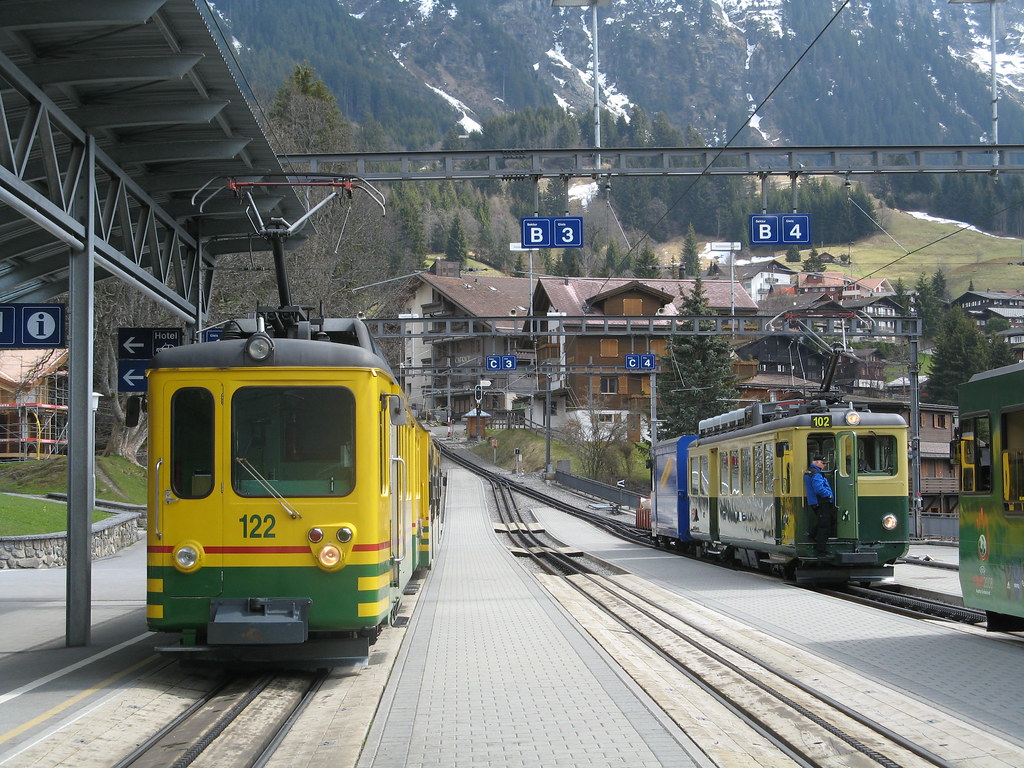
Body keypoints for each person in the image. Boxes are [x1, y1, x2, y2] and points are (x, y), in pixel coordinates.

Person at [804, 455, 835, 554]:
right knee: (824, 525)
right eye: (823, 463)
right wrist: (828, 495)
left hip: (816, 501)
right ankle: (821, 548)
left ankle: (812, 533)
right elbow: (818, 488)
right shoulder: (816, 473)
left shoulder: (810, 471)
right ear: (817, 462)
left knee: (827, 520)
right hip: (821, 501)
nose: (825, 465)